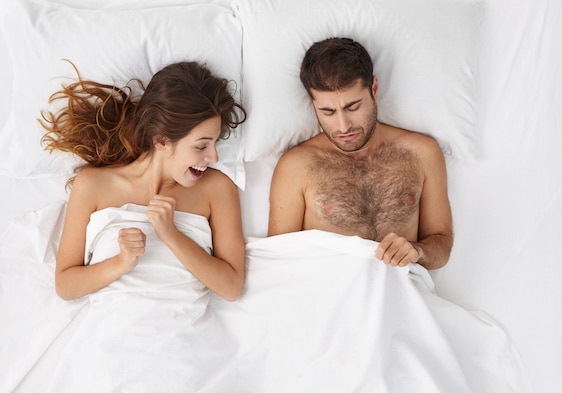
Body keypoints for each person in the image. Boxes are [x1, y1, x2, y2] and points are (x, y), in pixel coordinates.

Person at [41, 61, 247, 301]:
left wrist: (171, 235)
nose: (214, 157)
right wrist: (121, 262)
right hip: (107, 330)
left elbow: (231, 287)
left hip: (186, 333)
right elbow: (65, 285)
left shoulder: (217, 188)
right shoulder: (92, 185)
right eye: (202, 145)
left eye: (215, 143)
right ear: (161, 140)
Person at [268, 37, 453, 270]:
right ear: (312, 103)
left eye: (352, 107)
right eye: (327, 111)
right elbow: (278, 262)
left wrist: (417, 251)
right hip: (326, 296)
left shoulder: (422, 153)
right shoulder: (296, 166)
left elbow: (441, 246)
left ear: (374, 88)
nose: (343, 126)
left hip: (401, 295)